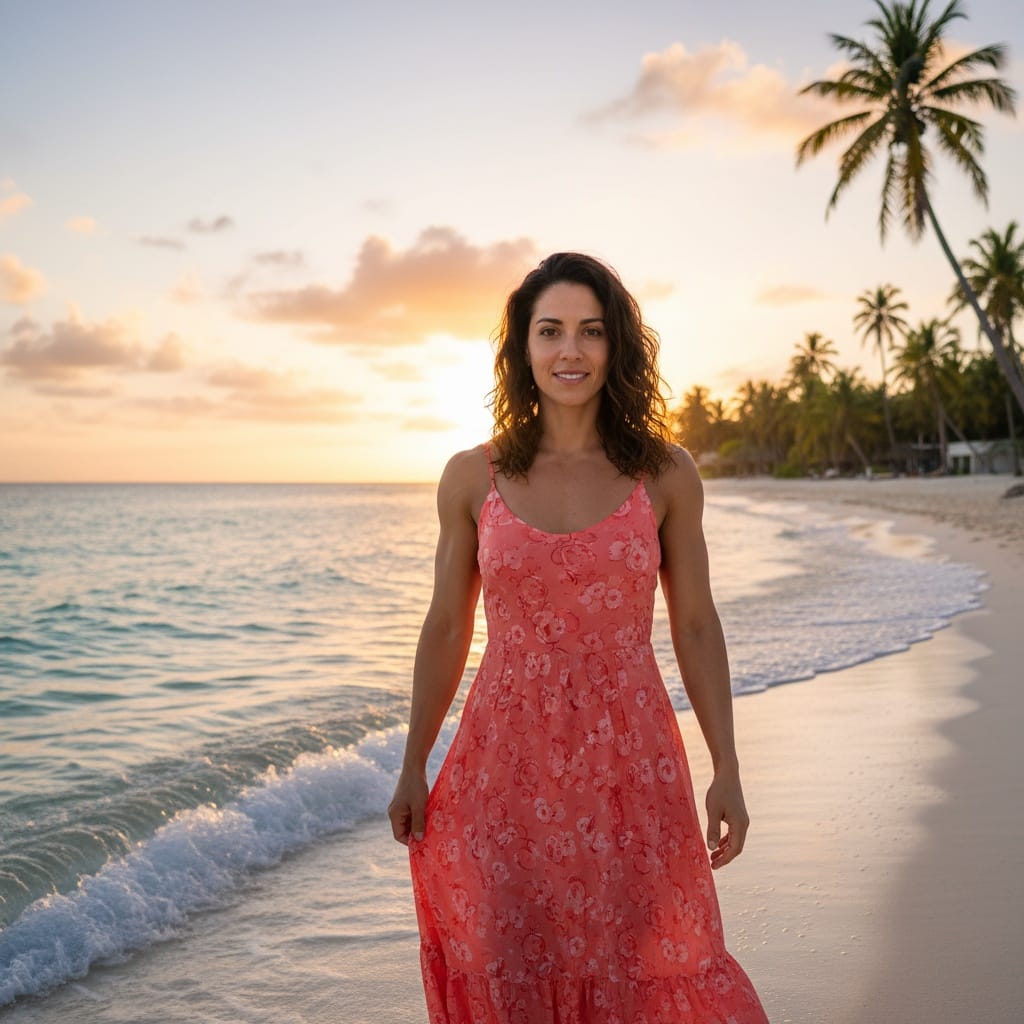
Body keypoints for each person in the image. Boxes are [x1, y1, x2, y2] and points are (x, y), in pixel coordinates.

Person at [388, 252, 768, 1023]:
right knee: (506, 955)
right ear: (522, 348)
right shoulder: (471, 476)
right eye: (550, 330)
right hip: (502, 760)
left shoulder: (665, 474)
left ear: (616, 346)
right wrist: (412, 764)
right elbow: (446, 625)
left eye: (590, 332)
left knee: (640, 959)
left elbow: (695, 624)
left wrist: (726, 765)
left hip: (630, 764)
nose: (570, 351)